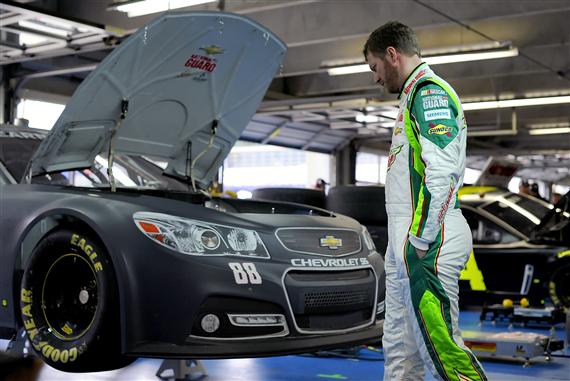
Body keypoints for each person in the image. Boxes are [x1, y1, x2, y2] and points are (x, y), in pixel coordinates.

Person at [363, 21, 487, 380]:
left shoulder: (429, 93)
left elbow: (443, 170)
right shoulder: (411, 97)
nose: (375, 77)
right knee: (401, 350)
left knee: (441, 352)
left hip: (428, 240)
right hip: (409, 241)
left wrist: (419, 239)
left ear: (392, 55)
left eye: (374, 67)